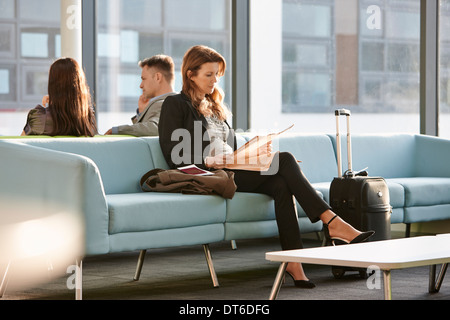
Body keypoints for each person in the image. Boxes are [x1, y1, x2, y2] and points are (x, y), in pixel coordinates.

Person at [158, 45, 374, 288]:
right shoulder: (175, 104)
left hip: (232, 168)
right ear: (190, 74)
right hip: (210, 174)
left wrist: (254, 154)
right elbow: (173, 154)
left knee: (282, 184)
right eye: (209, 75)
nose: (215, 80)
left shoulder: (215, 107)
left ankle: (294, 262)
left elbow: (230, 148)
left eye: (217, 74)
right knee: (286, 160)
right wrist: (209, 160)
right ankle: (332, 222)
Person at [21, 57, 97, 137]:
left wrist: (55, 98)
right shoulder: (87, 119)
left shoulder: (39, 119)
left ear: (52, 85)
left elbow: (19, 145)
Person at [105, 55, 176, 137]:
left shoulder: (164, 104)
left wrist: (117, 130)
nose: (141, 85)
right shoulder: (173, 103)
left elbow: (156, 128)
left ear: (158, 77)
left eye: (144, 79)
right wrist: (142, 113)